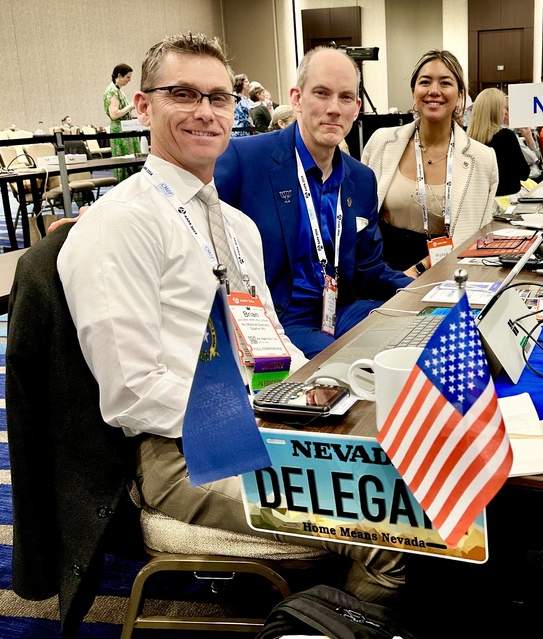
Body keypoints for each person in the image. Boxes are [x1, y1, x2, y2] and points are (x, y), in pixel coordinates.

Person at [58, 33, 404, 605]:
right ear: (142, 106)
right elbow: (132, 393)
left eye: (219, 98)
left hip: (264, 415)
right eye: (183, 94)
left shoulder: (238, 227)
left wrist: (319, 389)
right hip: (186, 452)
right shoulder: (121, 224)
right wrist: (257, 417)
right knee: (390, 524)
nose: (205, 111)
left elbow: (270, 337)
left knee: (405, 466)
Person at [214, 46, 413, 359]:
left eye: (345, 97)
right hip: (276, 321)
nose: (334, 108)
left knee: (418, 331)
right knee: (353, 361)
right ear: (296, 99)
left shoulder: (362, 179)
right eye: (321, 93)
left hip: (342, 312)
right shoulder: (244, 160)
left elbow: (369, 267)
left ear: (357, 108)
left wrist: (422, 290)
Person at [360, 49, 498, 274]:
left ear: (460, 95)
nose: (434, 91)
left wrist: (419, 270)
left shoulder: (482, 159)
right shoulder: (382, 143)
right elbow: (361, 217)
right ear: (413, 91)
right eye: (425, 82)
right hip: (379, 271)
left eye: (445, 83)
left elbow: (476, 235)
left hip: (446, 272)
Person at [467, 87, 529, 197]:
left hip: (478, 200)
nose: (506, 112)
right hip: (507, 200)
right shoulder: (506, 136)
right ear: (495, 111)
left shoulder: (466, 139)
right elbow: (523, 173)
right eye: (504, 108)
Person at [104, 62, 141, 181]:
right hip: (120, 132)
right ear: (119, 76)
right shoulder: (113, 91)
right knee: (125, 163)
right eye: (128, 77)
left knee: (132, 162)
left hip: (125, 130)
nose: (129, 80)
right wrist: (130, 106)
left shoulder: (117, 90)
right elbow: (114, 114)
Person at [231, 73, 253, 137]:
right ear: (240, 83)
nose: (248, 83)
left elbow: (248, 114)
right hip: (237, 127)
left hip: (246, 128)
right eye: (246, 82)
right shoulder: (234, 96)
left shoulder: (246, 99)